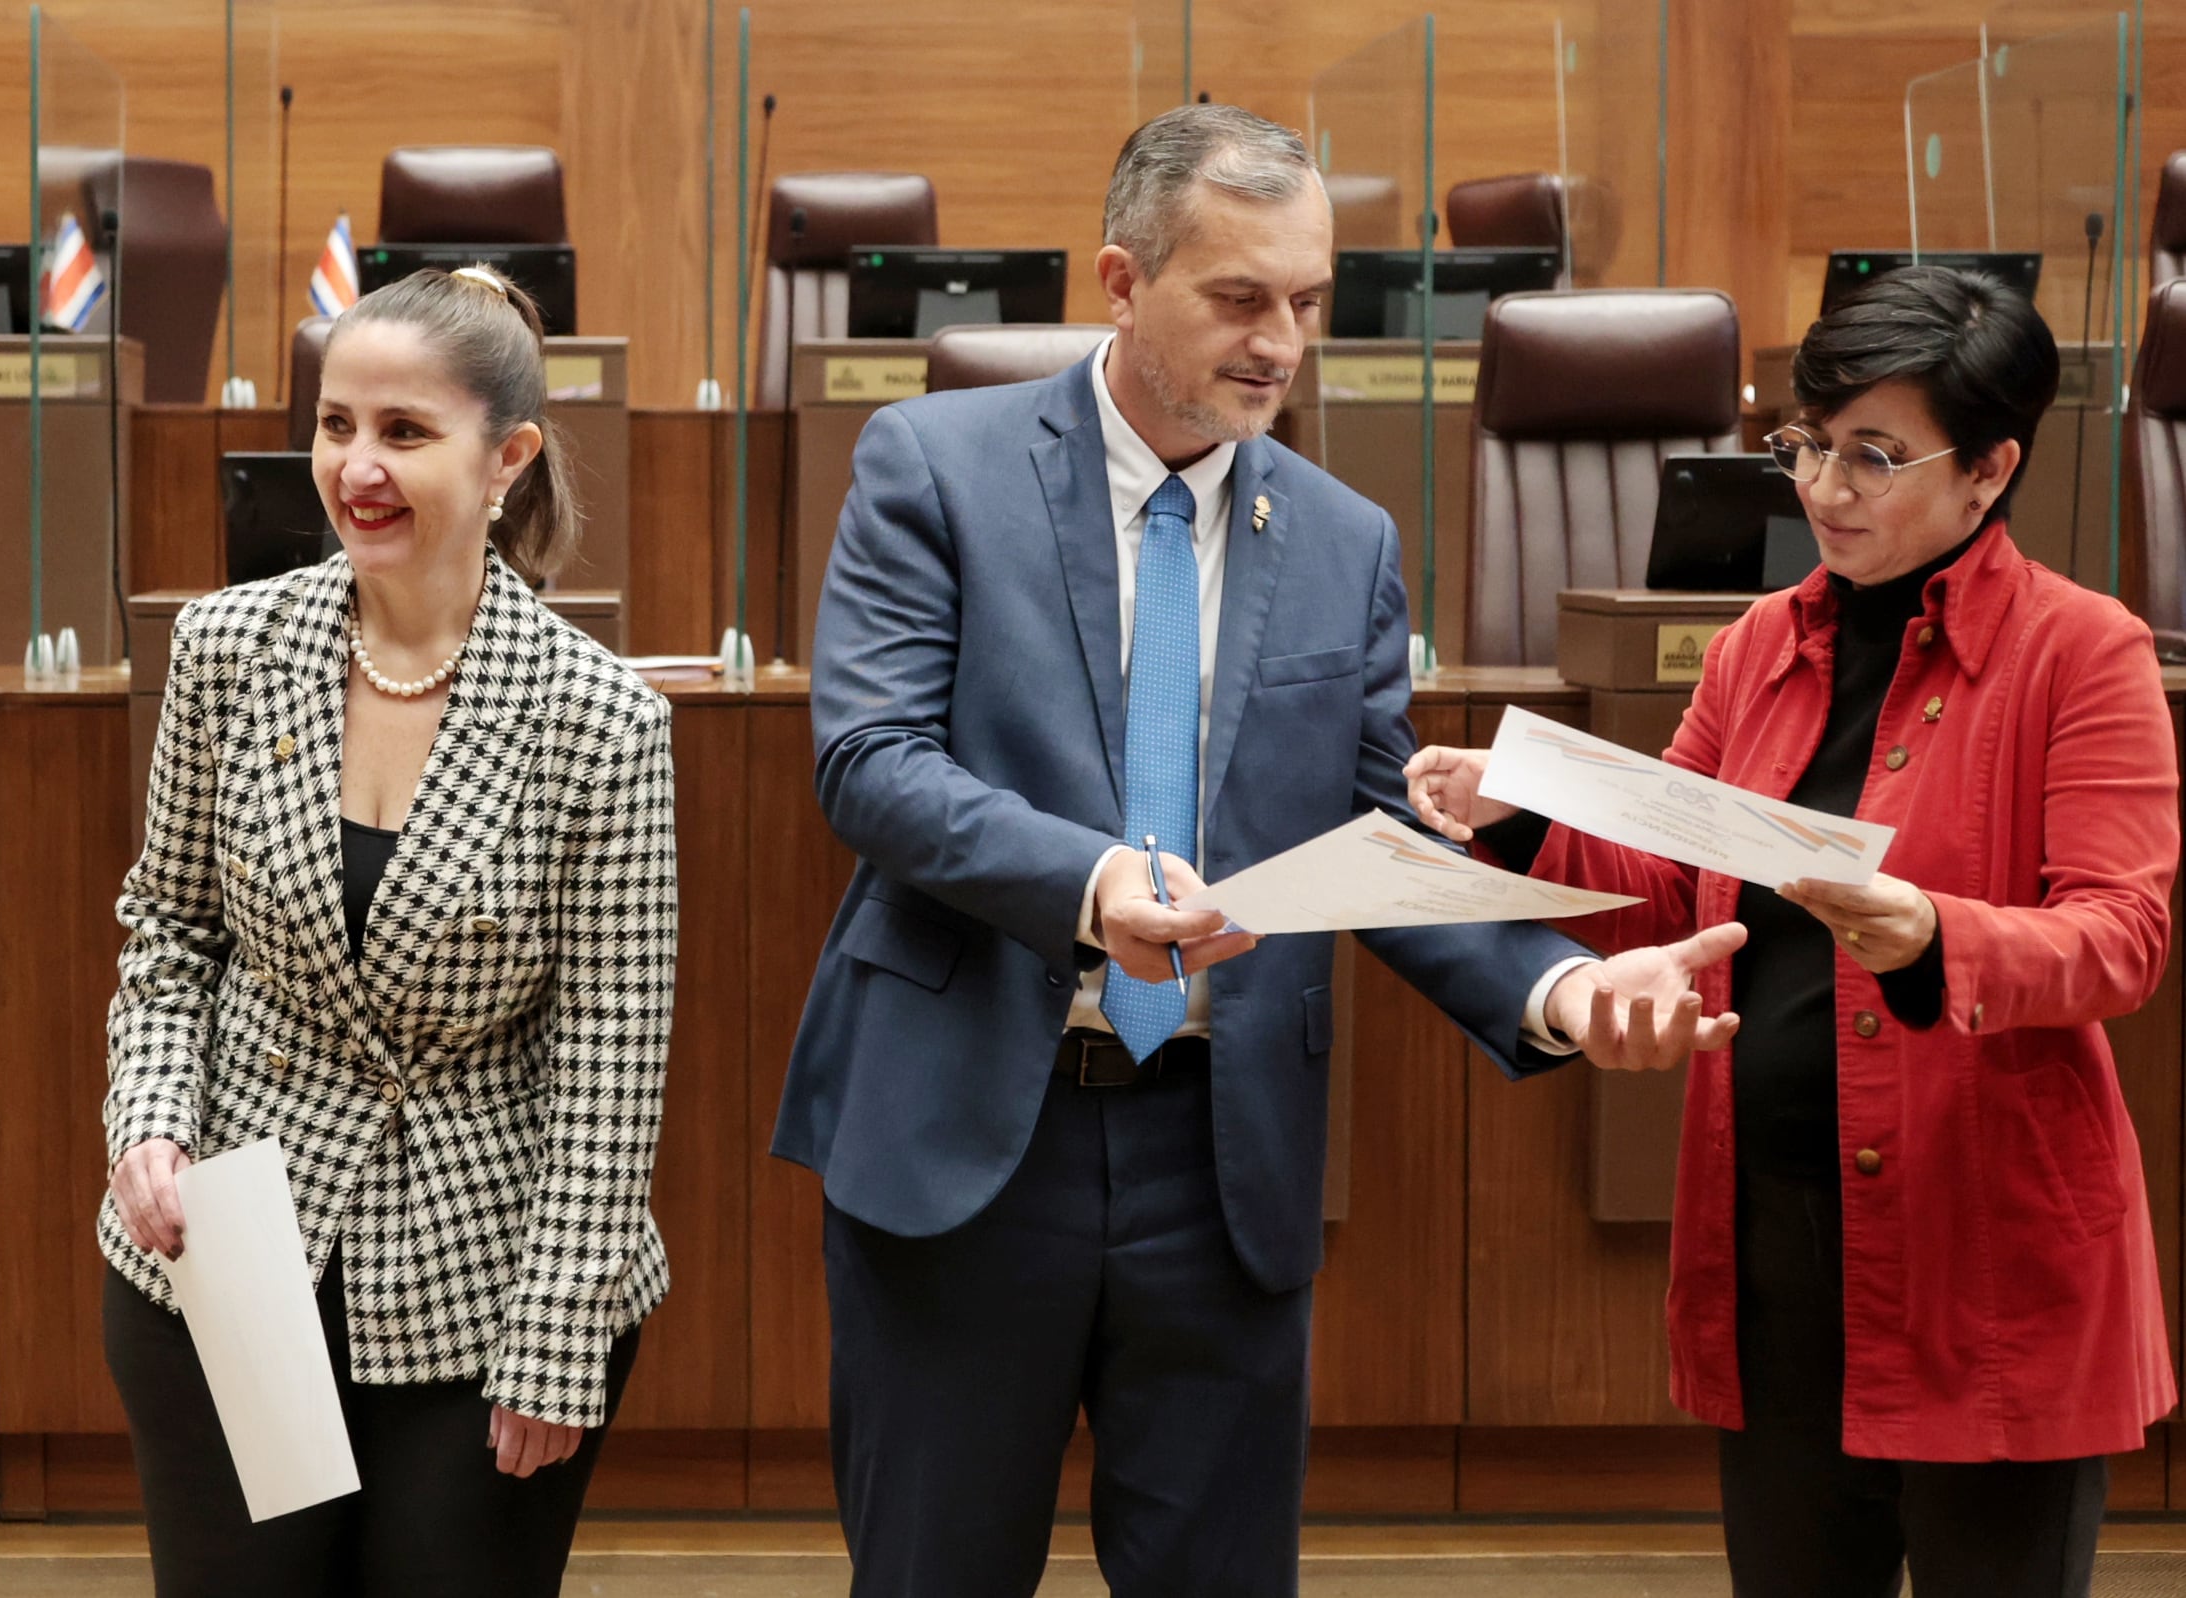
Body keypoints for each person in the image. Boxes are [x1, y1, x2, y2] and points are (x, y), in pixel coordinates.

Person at [773, 103, 1740, 1598]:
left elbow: (1380, 836)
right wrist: (1088, 884)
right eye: (1237, 298)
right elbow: (870, 761)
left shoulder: (1342, 537)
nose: (1280, 343)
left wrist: (1557, 988)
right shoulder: (934, 464)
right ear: (1118, 280)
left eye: (1304, 302)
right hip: (968, 1134)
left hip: (1217, 1160)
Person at [1406, 264, 2178, 1598]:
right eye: (1805, 445)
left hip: (1981, 1256)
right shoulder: (1756, 644)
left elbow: (2119, 938)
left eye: (1871, 458)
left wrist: (1934, 934)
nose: (1821, 489)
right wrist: (1512, 814)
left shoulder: (2081, 651)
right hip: (1771, 1247)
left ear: (1987, 471)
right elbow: (1669, 886)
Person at [99, 264, 677, 1598]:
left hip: (484, 1285)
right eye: (336, 424)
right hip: (230, 1251)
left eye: (404, 433)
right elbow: (168, 935)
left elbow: (610, 1059)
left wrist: (557, 1334)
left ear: (508, 458)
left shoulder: (602, 720)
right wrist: (148, 1118)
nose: (356, 466)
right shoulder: (228, 650)